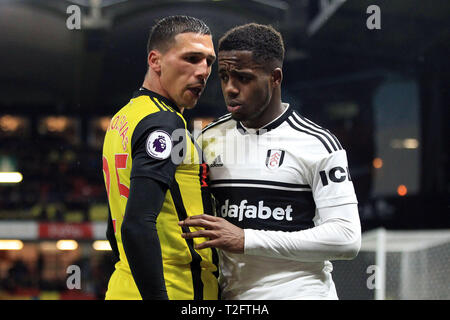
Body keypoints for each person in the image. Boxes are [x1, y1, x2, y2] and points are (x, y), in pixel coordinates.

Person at [180, 23, 361, 299]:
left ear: (275, 78)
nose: (230, 88)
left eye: (242, 77)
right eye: (224, 76)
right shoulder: (205, 140)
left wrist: (247, 239)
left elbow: (347, 238)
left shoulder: (317, 143)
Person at [102, 15, 218, 300]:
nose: (203, 71)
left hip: (124, 286)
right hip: (175, 288)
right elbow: (136, 225)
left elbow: (113, 226)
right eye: (191, 58)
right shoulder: (166, 124)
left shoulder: (123, 119)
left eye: (209, 61)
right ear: (155, 61)